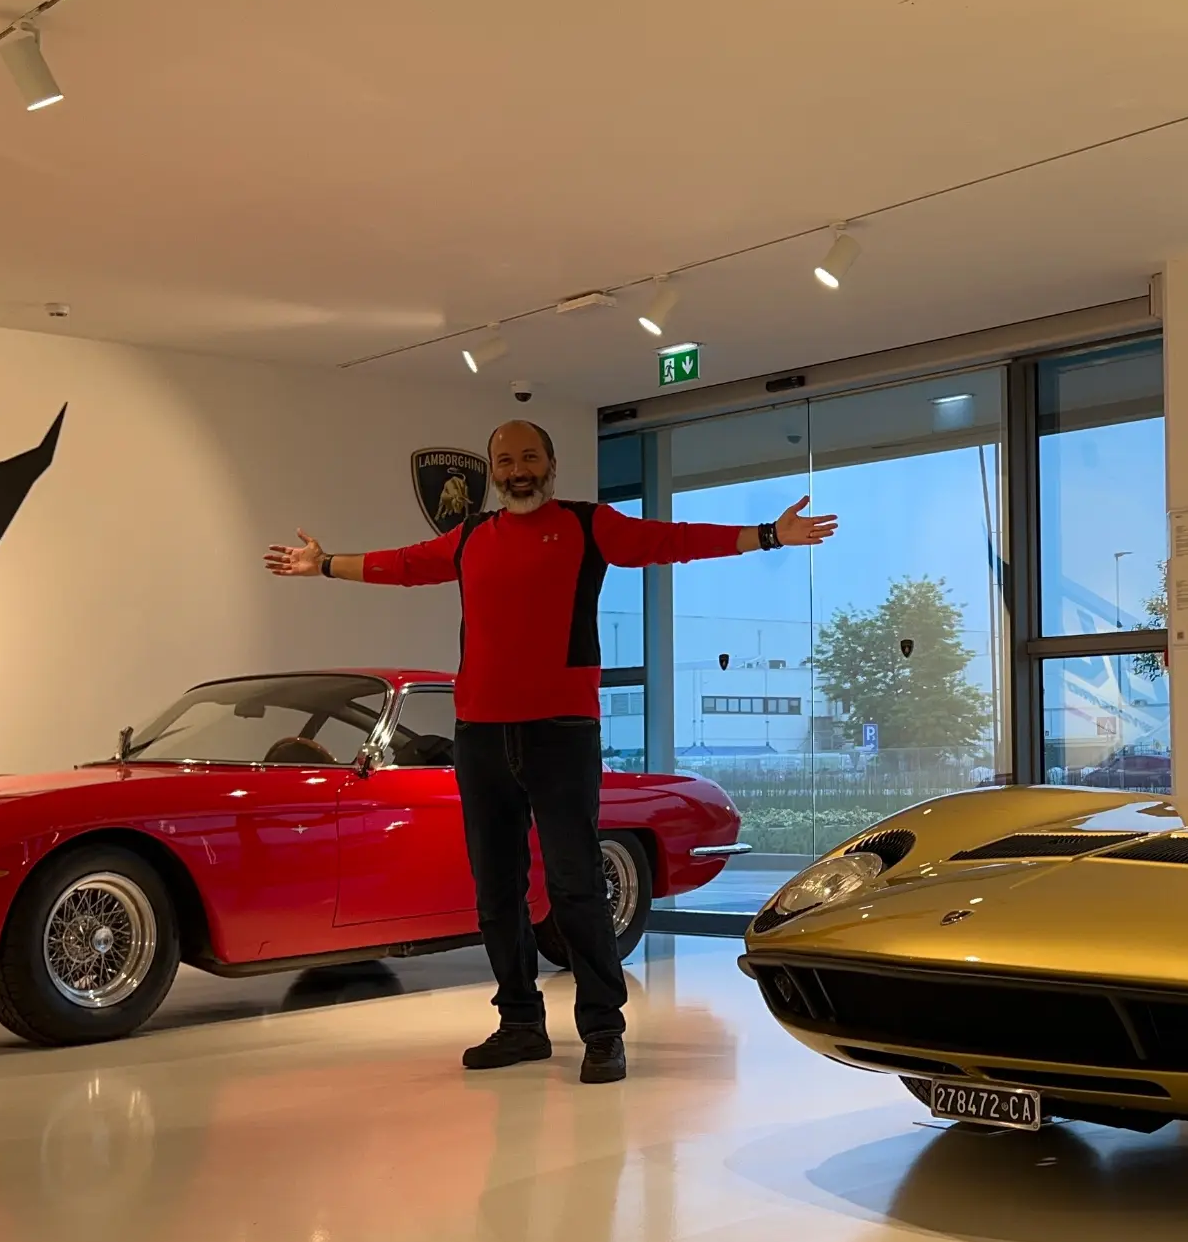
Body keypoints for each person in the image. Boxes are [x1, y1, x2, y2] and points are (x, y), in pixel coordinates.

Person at [263, 420, 835, 1082]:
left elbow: (671, 541)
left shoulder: (589, 526)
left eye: (528, 457)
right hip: (480, 735)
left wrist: (767, 535)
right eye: (505, 460)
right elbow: (403, 565)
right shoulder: (472, 536)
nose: (517, 470)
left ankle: (603, 1031)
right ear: (494, 471)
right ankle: (519, 1024)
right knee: (496, 889)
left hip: (561, 733)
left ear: (551, 464)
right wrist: (323, 563)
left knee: (576, 885)